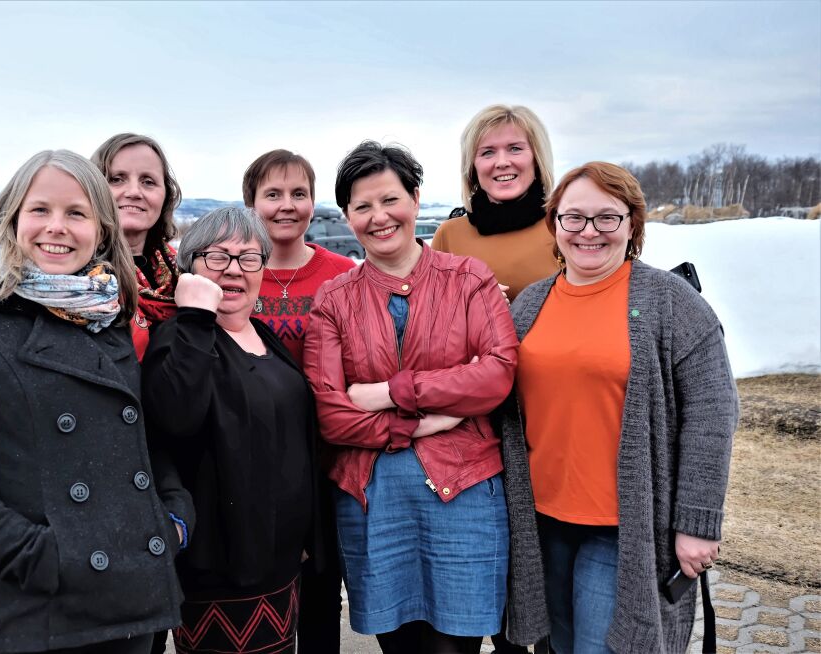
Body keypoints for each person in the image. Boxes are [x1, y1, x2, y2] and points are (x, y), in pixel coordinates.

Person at [0, 150, 194, 653]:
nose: (56, 228)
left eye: (76, 213)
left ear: (101, 230)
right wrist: (44, 558)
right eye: (40, 210)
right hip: (35, 614)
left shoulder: (106, 312)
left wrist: (174, 520)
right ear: (12, 217)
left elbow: (140, 439)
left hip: (133, 602)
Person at [303, 141, 548, 654]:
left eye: (389, 199)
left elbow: (497, 376)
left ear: (415, 199)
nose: (379, 217)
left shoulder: (469, 278)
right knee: (400, 645)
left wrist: (391, 392)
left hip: (464, 489)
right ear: (347, 216)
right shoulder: (334, 298)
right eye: (362, 206)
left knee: (453, 645)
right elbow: (331, 413)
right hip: (371, 495)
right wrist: (418, 423)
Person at [504, 161, 737, 653]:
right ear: (555, 224)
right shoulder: (529, 305)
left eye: (606, 217)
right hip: (542, 520)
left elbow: (712, 415)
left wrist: (696, 524)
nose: (589, 232)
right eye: (574, 217)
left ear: (632, 224)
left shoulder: (670, 302)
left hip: (625, 528)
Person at [142, 207, 322, 654]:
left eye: (248, 257)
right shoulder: (181, 337)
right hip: (218, 570)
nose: (234, 270)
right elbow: (175, 419)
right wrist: (197, 316)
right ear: (190, 270)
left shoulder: (264, 335)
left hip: (280, 564)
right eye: (216, 257)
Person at [0, 132, 183, 359]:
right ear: (91, 188)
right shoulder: (60, 269)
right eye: (116, 179)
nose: (134, 191)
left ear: (165, 194)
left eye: (148, 181)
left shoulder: (185, 274)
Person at [242, 149, 355, 653]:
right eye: (272, 195)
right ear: (251, 204)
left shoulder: (343, 273)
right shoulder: (235, 272)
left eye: (299, 194)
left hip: (327, 463)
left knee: (318, 600)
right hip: (253, 468)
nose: (286, 206)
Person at [431, 104, 558, 302]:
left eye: (515, 148)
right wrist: (467, 304)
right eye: (487, 152)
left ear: (536, 158)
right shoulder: (449, 235)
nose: (501, 162)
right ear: (472, 166)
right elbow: (432, 316)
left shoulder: (565, 227)